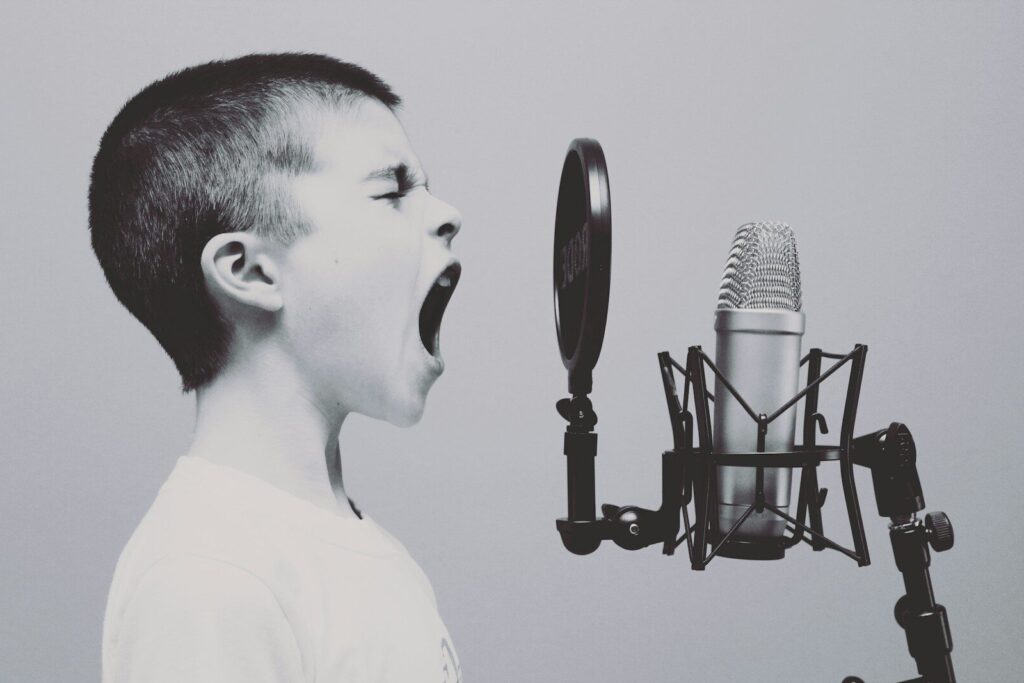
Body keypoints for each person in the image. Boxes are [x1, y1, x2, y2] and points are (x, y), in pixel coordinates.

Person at [90, 53, 464, 682]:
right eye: (392, 190)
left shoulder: (358, 550)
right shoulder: (209, 579)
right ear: (250, 270)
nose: (447, 214)